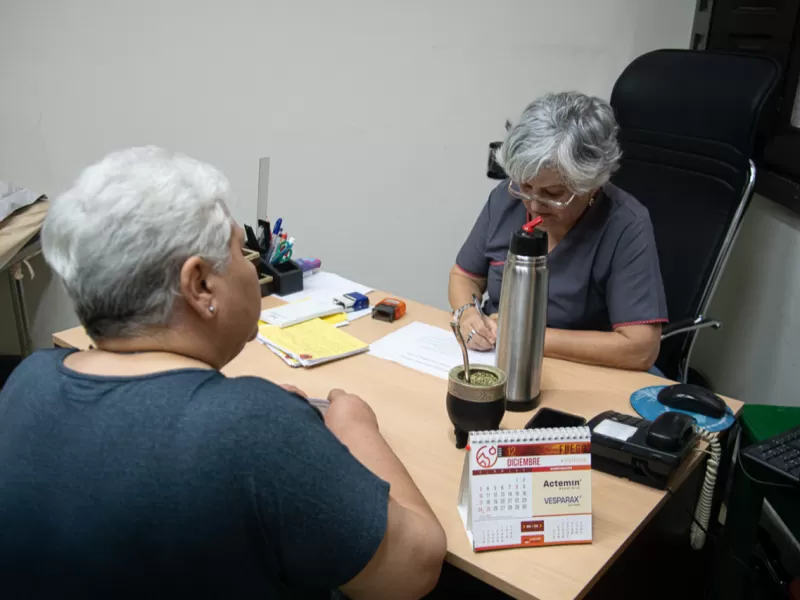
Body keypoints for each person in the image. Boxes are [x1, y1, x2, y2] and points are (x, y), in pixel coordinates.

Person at [0, 147, 446, 599]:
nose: (252, 268)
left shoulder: (27, 380)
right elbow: (414, 568)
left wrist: (254, 415)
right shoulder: (253, 427)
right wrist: (355, 425)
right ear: (199, 285)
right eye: (240, 251)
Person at [449, 92, 667, 371]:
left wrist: (524, 337)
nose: (534, 204)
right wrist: (467, 314)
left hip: (586, 371)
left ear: (592, 184)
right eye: (525, 187)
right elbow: (464, 276)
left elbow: (640, 347)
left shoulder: (625, 223)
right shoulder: (506, 199)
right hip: (499, 360)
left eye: (553, 193)